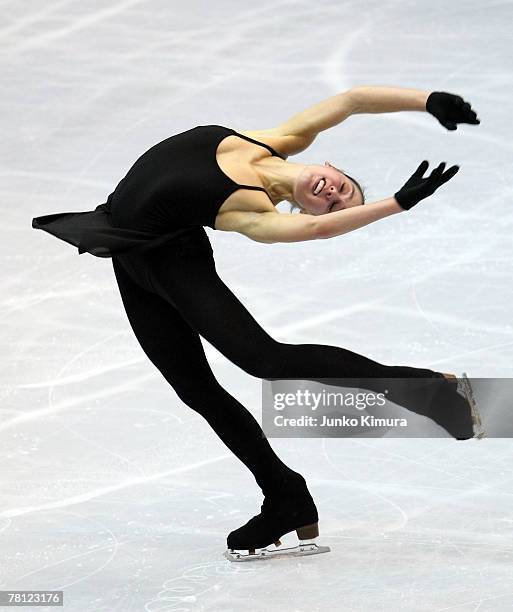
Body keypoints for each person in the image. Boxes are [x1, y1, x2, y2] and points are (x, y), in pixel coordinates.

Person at [32, 85, 481, 558]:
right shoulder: (276, 139)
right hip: (128, 256)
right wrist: (427, 100)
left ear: (305, 209)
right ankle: (285, 495)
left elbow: (316, 229)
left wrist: (397, 203)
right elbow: (351, 102)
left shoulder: (253, 212)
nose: (331, 196)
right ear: (329, 166)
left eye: (332, 204)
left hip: (174, 262)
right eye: (341, 188)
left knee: (264, 359)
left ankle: (425, 389)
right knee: (196, 390)